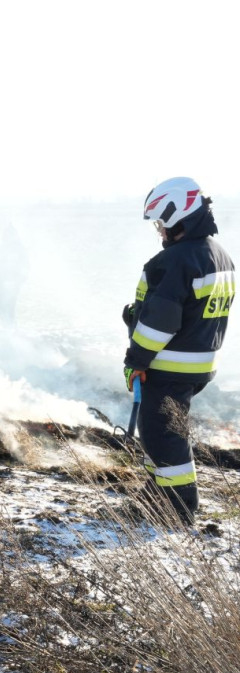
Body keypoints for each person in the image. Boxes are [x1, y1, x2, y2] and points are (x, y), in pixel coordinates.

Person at [123, 177, 235, 523]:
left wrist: (136, 360)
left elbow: (162, 322)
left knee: (162, 435)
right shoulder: (220, 256)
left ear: (178, 216)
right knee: (165, 431)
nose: (159, 231)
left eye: (161, 222)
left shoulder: (174, 261)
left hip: (168, 366)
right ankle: (158, 494)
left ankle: (179, 506)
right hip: (198, 366)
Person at [0, 224, 30, 327]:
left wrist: (15, 281)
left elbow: (25, 269)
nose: (5, 236)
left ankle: (11, 331)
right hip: (1, 285)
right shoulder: (3, 248)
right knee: (1, 308)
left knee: (8, 309)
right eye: (5, 234)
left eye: (8, 234)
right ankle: (8, 330)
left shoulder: (19, 249)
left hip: (11, 286)